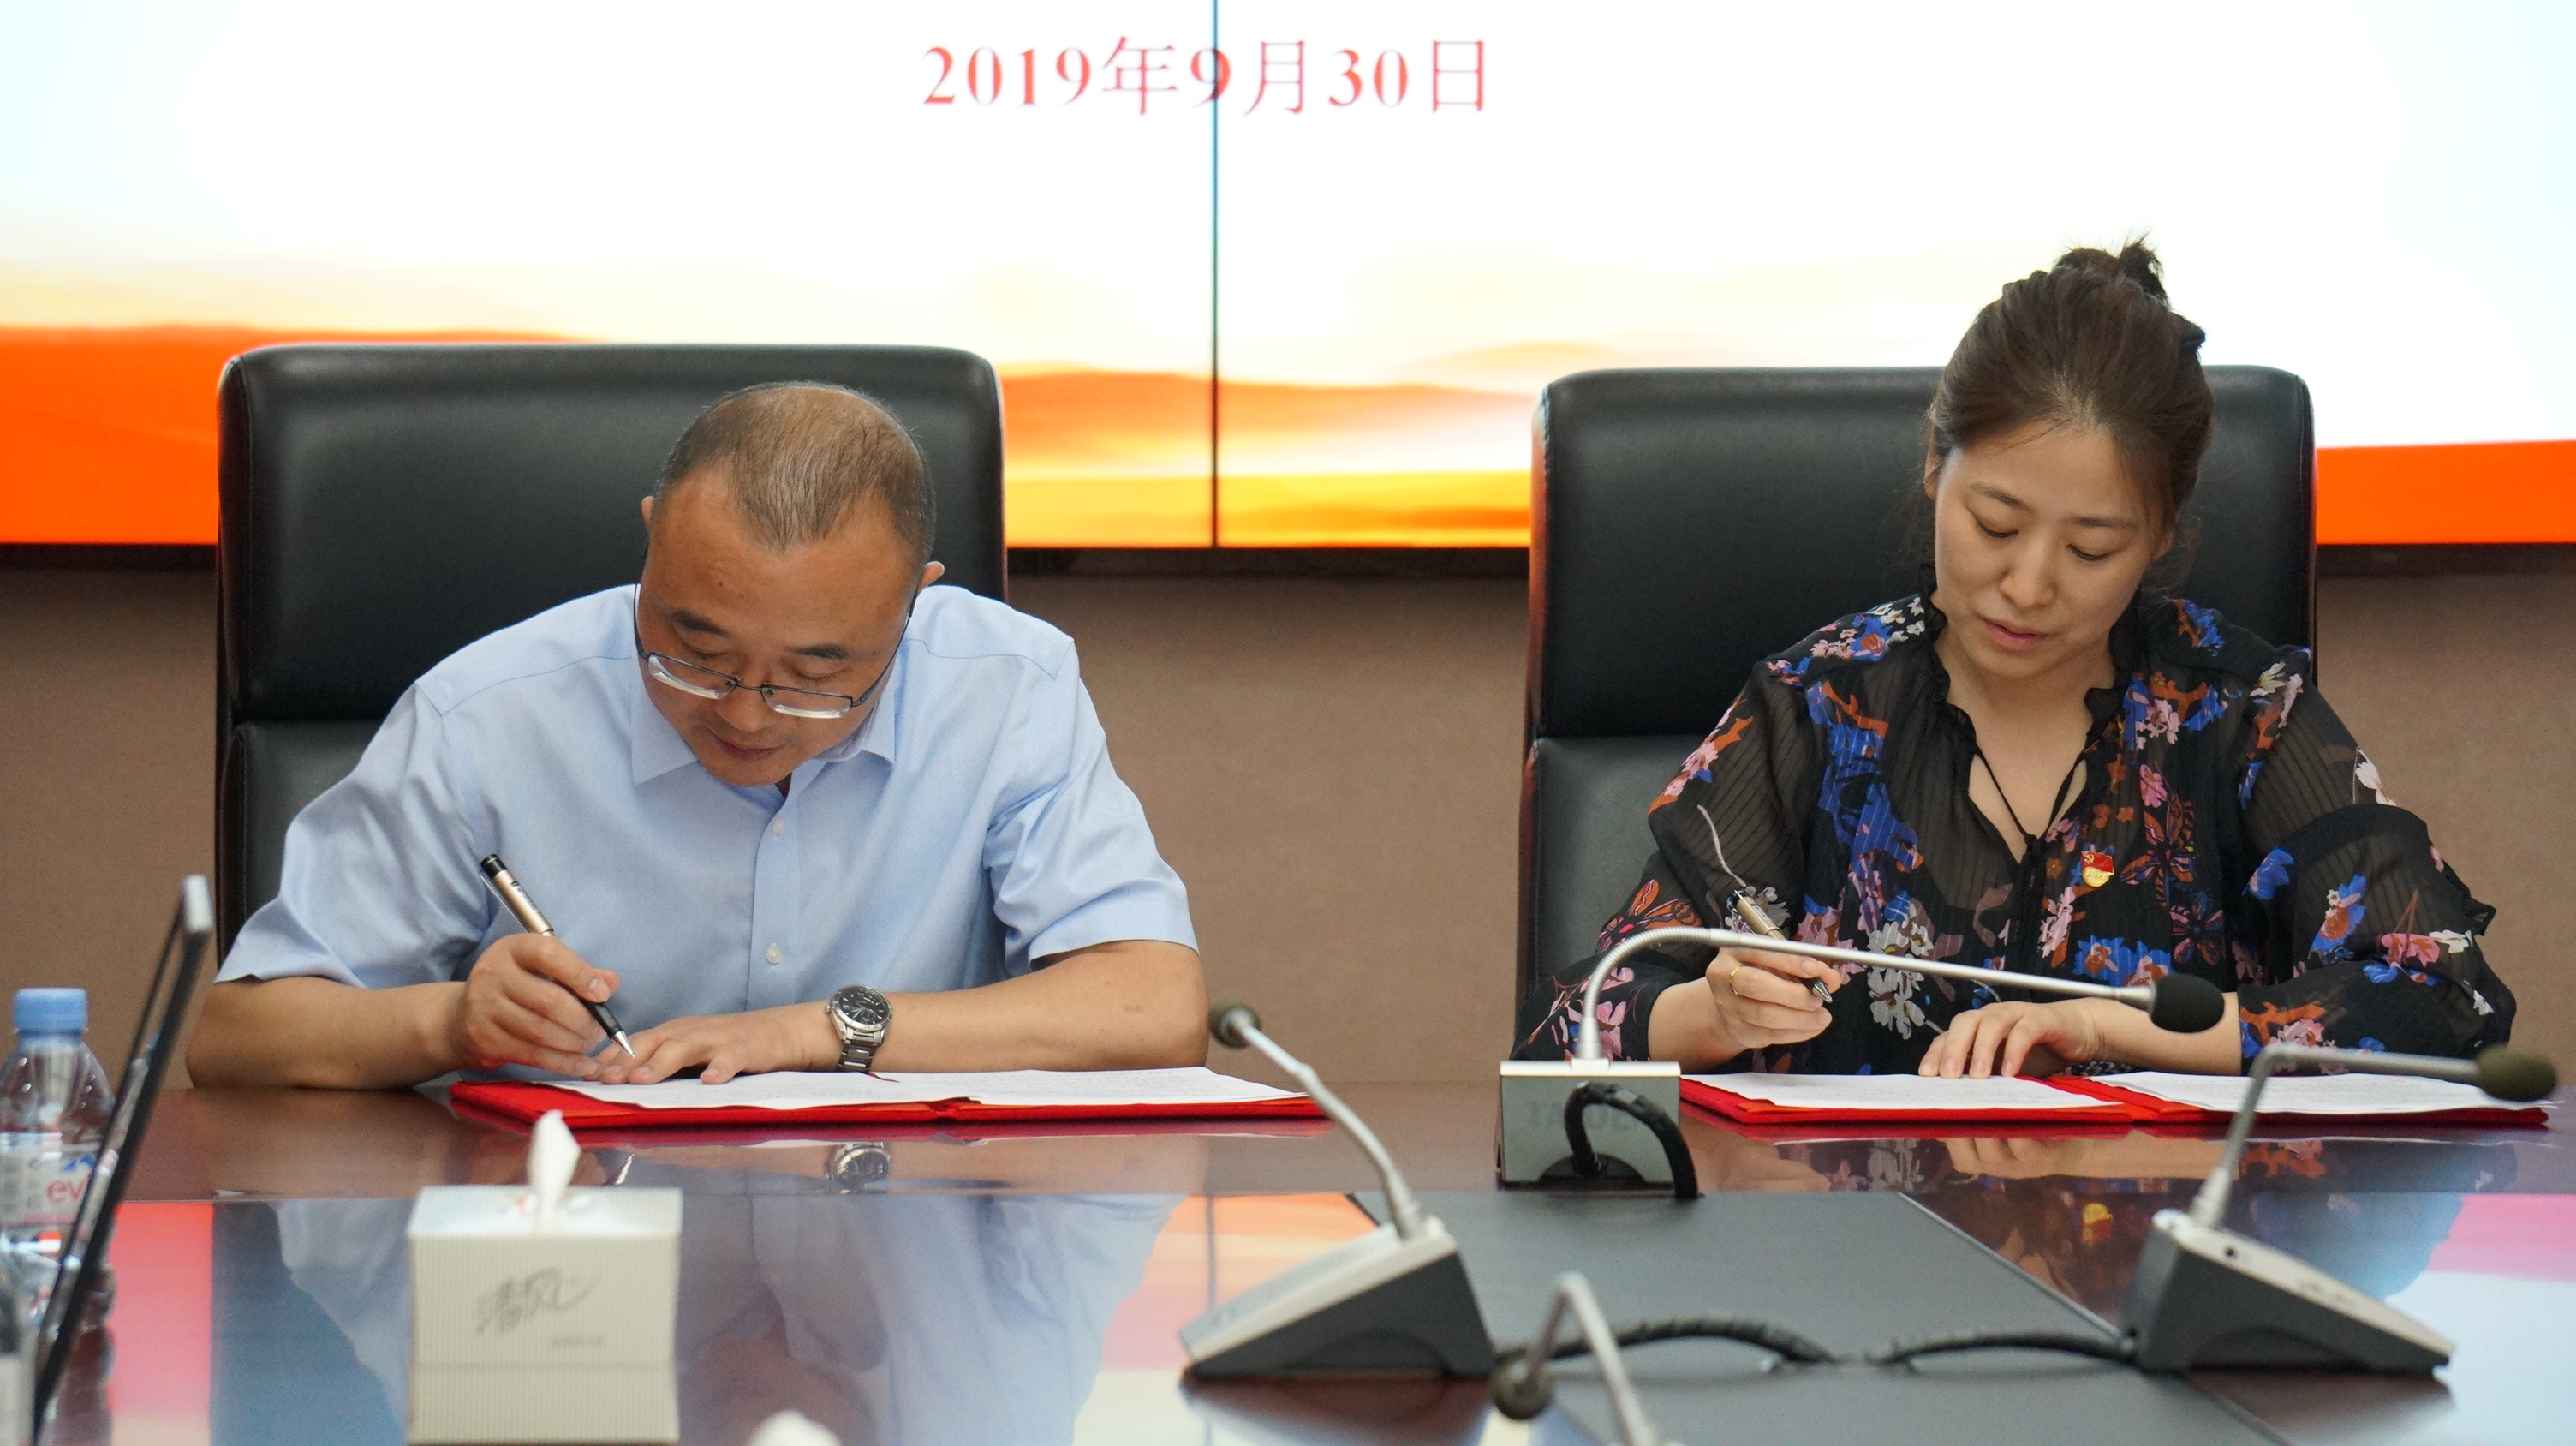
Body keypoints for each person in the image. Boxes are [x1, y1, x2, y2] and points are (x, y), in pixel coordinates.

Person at [1514, 243, 2514, 1079]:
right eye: (1994, 524)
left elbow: (2446, 996)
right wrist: (1709, 1011)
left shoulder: (2239, 712)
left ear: (2159, 534)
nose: (2027, 585)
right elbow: (1573, 1020)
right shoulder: (1816, 705)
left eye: (2090, 548)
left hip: (2167, 1239)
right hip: (1855, 1241)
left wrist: (2108, 1027)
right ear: (1931, 464)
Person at [191, 382, 1206, 1089]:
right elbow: (239, 1036)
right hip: (574, 1265)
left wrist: (815, 1032)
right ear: (651, 537)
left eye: (817, 673)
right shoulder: (487, 713)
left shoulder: (1007, 687)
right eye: (694, 648)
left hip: (907, 1250)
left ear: (914, 599)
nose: (747, 712)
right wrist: (450, 1021)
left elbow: (1151, 1004)